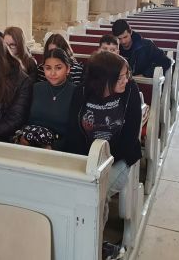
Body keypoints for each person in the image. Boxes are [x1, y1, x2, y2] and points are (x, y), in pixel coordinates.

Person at [64, 51, 143, 226]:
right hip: (86, 158)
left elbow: (130, 135)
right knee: (75, 190)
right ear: (104, 79)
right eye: (120, 77)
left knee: (96, 192)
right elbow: (74, 131)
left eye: (127, 75)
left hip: (119, 158)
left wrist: (103, 162)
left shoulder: (130, 91)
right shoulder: (81, 92)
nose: (126, 80)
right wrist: (87, 163)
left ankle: (95, 237)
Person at [15, 48, 76, 150]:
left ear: (68, 69)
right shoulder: (36, 88)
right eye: (48, 68)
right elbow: (22, 118)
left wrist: (53, 147)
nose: (52, 73)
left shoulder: (76, 92)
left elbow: (76, 131)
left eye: (58, 68)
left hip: (60, 149)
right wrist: (22, 137)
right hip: (28, 145)